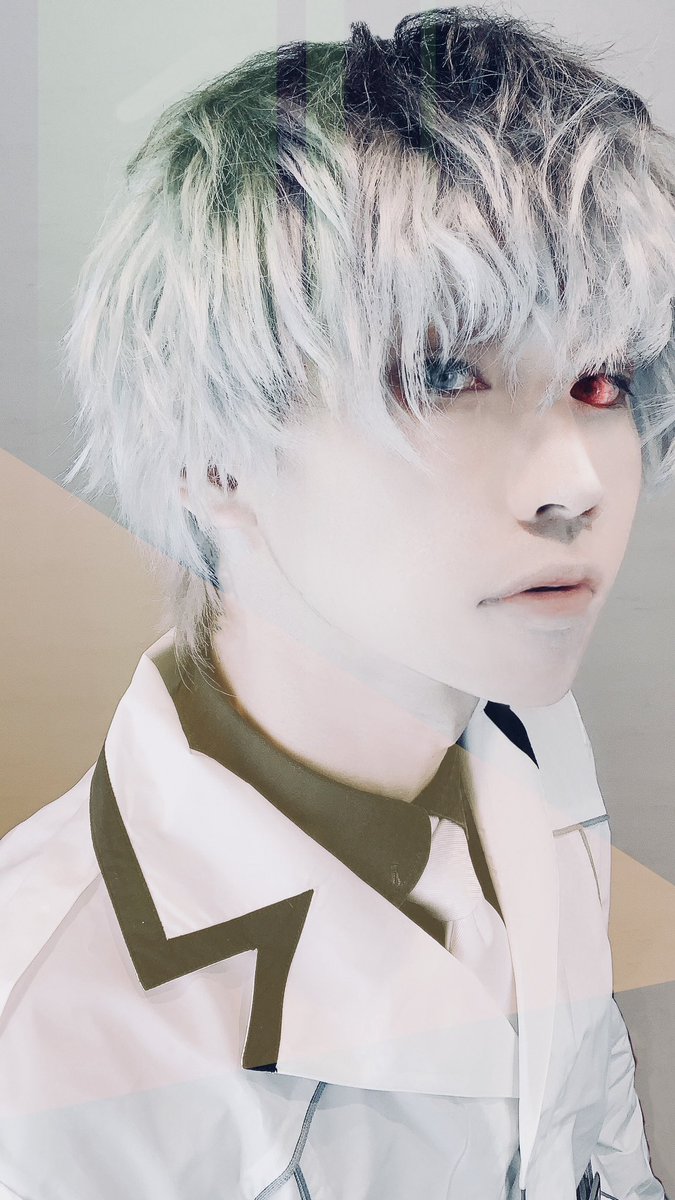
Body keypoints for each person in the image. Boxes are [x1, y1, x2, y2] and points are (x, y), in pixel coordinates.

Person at [1, 7, 674, 1198]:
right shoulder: (46, 1034)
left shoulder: (531, 746)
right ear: (212, 456)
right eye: (447, 373)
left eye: (600, 377)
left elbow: (594, 1139)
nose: (576, 480)